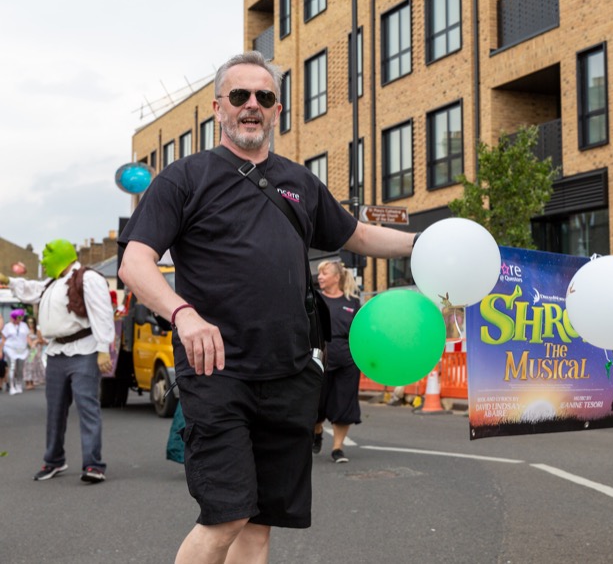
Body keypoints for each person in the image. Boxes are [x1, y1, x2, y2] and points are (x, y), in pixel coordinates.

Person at [118, 51, 418, 564]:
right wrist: (184, 315)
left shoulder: (300, 182)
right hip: (218, 373)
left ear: (278, 110)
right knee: (225, 516)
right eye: (240, 95)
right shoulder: (184, 178)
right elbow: (134, 262)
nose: (252, 105)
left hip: (291, 373)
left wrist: (426, 244)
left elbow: (358, 235)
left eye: (265, 96)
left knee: (259, 525)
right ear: (219, 108)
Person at [9, 240, 115, 482]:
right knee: (55, 411)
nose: (43, 261)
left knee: (87, 408)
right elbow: (31, 289)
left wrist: (103, 349)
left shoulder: (89, 278)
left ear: (61, 256)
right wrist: (9, 281)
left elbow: (102, 312)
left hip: (84, 350)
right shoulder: (52, 283)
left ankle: (93, 464)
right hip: (57, 352)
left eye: (47, 256)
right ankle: (54, 460)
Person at [311, 260, 362, 463]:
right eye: (320, 274)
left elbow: (361, 333)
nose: (320, 277)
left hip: (348, 362)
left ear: (336, 277)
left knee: (343, 405)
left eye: (324, 273)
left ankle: (337, 448)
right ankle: (317, 432)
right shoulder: (315, 300)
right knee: (316, 406)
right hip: (319, 360)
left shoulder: (352, 302)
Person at [2, 309, 30, 395]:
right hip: (10, 349)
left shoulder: (24, 325)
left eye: (21, 317)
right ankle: (11, 386)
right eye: (18, 317)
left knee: (20, 369)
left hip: (22, 349)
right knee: (12, 367)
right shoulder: (7, 326)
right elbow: (3, 339)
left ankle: (18, 384)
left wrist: (32, 345)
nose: (20, 319)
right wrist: (0, 350)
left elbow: (27, 337)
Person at [24, 315, 46, 390]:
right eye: (29, 322)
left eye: (32, 322)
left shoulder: (37, 331)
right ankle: (28, 382)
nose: (30, 324)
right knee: (28, 365)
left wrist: (36, 341)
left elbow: (42, 341)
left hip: (36, 350)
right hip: (28, 350)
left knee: (35, 365)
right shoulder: (25, 331)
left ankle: (33, 381)